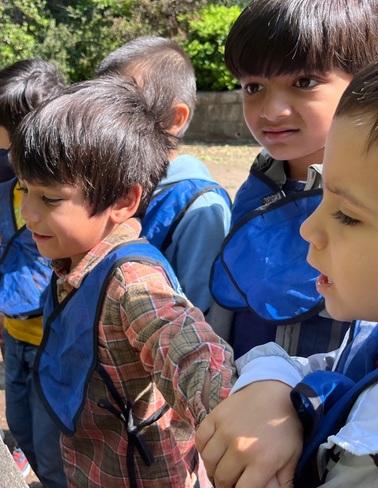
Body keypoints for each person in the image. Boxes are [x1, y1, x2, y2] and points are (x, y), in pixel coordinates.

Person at [11, 76, 236, 487]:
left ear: (122, 201)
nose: (28, 212)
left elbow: (186, 348)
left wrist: (236, 418)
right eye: (25, 190)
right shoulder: (72, 259)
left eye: (50, 198)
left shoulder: (133, 283)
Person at [196, 63, 378, 488]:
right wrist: (272, 385)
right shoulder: (259, 182)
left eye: (347, 217)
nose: (307, 230)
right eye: (254, 87)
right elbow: (341, 364)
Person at [208, 0, 378, 358]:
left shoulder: (368, 196)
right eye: (254, 87)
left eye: (303, 82)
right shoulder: (259, 181)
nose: (271, 111)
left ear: (365, 82)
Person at [0, 59, 67, 486]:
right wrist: (1, 314)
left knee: (52, 440)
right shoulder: (2, 190)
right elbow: (6, 253)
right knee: (20, 423)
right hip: (16, 336)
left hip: (53, 344)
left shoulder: (63, 199)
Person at [96, 36, 232, 313]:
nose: (106, 116)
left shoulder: (202, 208)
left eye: (126, 104)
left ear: (174, 119)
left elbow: (202, 318)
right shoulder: (112, 180)